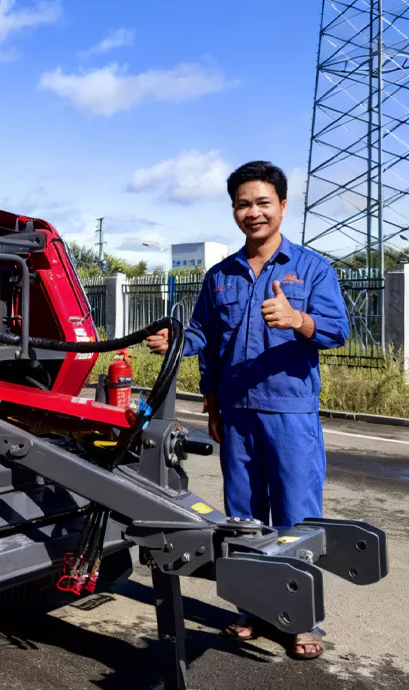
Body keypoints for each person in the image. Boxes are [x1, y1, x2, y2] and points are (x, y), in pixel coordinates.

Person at [146, 161, 349, 660]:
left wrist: (298, 319)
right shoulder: (220, 277)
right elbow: (204, 340)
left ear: (282, 205)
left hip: (289, 411)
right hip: (236, 413)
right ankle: (253, 612)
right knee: (245, 518)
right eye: (243, 203)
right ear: (233, 210)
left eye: (262, 202)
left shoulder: (312, 268)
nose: (253, 212)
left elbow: (337, 331)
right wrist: (175, 342)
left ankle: (304, 621)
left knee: (297, 517)